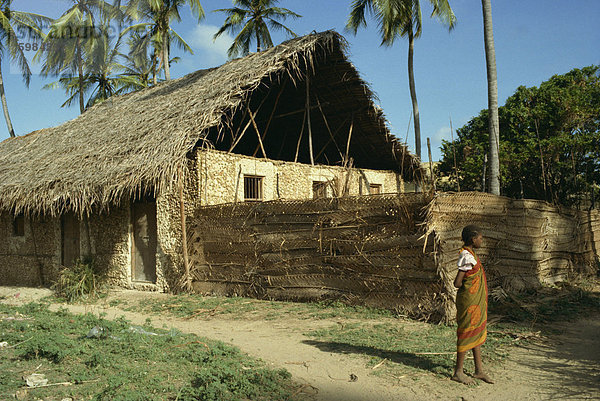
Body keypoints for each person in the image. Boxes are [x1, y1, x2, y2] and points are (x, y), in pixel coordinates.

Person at [451, 225, 494, 385]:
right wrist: (470, 289)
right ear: (472, 239)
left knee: (475, 331)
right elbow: (457, 282)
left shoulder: (471, 254)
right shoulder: (466, 256)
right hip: (469, 302)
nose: (481, 240)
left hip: (475, 302)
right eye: (480, 238)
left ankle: (479, 370)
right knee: (466, 332)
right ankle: (458, 372)